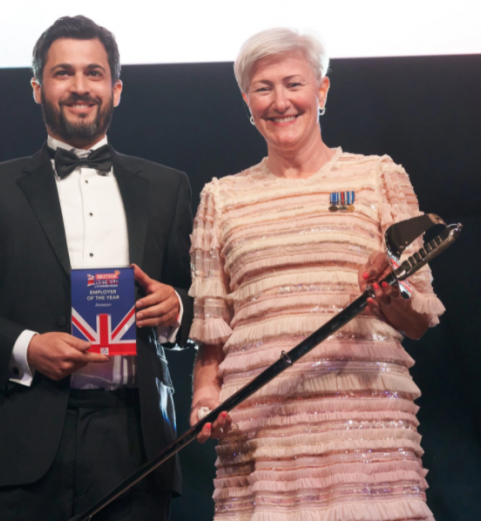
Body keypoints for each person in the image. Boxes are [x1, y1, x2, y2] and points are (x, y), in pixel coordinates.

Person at [0, 15, 193, 521]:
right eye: (62, 73)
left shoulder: (167, 187)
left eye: (93, 74)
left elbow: (200, 298)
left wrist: (177, 306)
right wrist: (28, 347)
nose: (79, 87)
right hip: (17, 443)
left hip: (135, 446)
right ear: (36, 87)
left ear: (116, 89)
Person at [189, 28, 445, 520]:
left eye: (294, 84)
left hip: (366, 433)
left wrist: (388, 296)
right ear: (247, 100)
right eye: (263, 88)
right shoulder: (219, 199)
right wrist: (205, 401)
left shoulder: (377, 178)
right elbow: (211, 340)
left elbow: (417, 321)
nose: (280, 101)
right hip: (259, 432)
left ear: (322, 91)